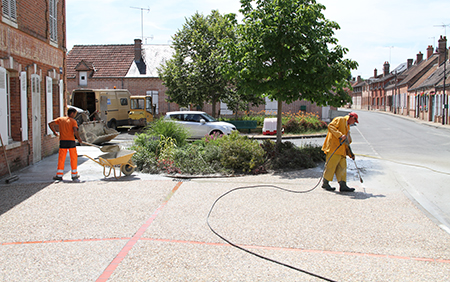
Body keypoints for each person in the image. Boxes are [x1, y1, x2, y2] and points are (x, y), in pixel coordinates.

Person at [321, 112, 359, 192]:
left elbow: (347, 143)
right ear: (352, 118)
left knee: (342, 168)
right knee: (331, 166)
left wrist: (350, 154)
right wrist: (340, 135)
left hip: (342, 151)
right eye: (355, 121)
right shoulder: (340, 119)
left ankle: (343, 185)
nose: (354, 123)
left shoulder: (347, 126)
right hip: (333, 149)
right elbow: (330, 126)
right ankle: (325, 183)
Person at [48, 108, 83, 181]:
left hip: (63, 141)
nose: (75, 115)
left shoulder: (61, 119)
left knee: (61, 158)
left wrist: (54, 132)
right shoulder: (73, 121)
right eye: (75, 114)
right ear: (72, 113)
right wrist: (79, 139)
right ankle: (74, 175)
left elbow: (50, 124)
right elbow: (75, 130)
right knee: (73, 158)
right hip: (71, 141)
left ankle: (59, 175)